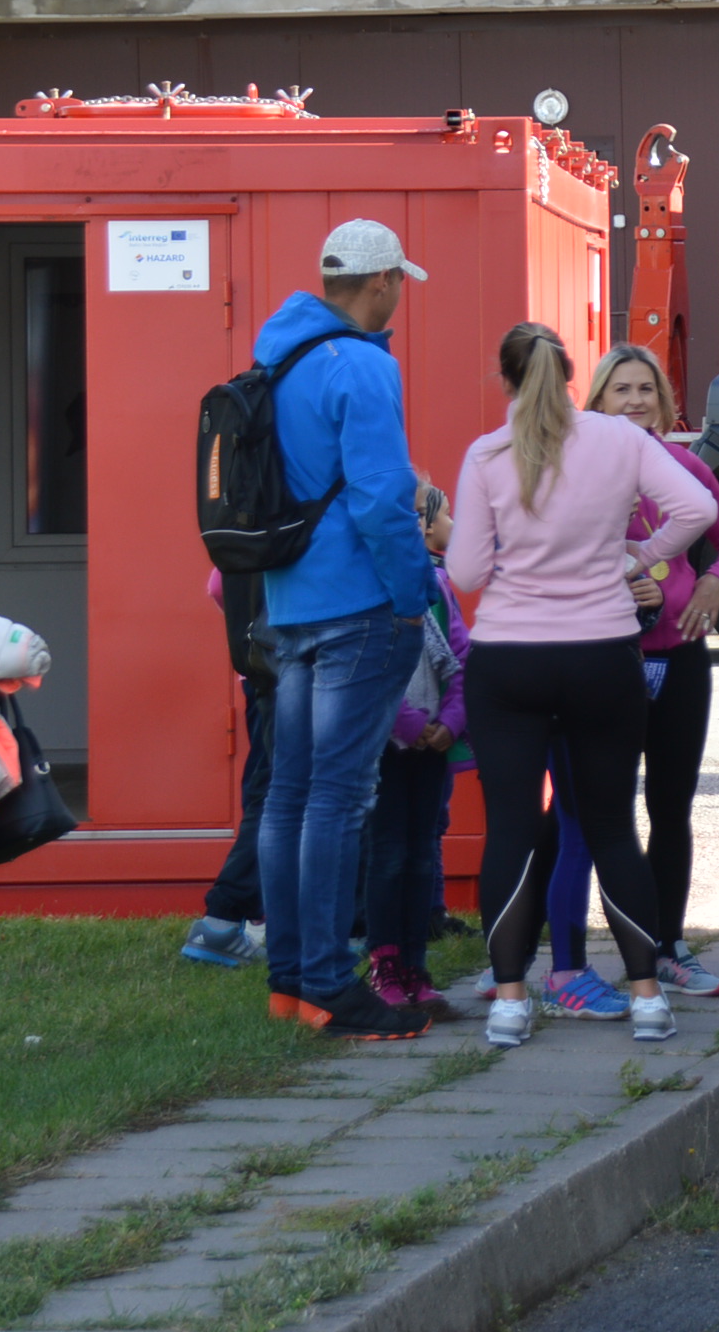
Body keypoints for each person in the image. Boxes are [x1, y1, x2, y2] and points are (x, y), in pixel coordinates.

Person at [443, 322, 713, 1049]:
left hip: (509, 657)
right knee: (611, 825)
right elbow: (697, 510)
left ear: (506, 380)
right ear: (571, 378)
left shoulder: (488, 453)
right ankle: (648, 997)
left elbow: (465, 572)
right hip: (602, 652)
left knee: (511, 829)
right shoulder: (618, 439)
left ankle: (509, 1001)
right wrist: (638, 559)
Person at [252, 218, 443, 1040]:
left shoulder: (278, 355)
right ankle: (333, 985)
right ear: (382, 282)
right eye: (398, 284)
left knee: (290, 794)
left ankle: (291, 981)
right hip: (358, 605)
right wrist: (412, 594)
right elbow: (381, 495)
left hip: (290, 603)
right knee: (339, 796)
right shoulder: (361, 365)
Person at [590, 343, 719, 994]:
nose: (634, 401)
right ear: (597, 402)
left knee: (671, 806)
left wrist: (715, 582)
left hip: (681, 658)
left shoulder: (685, 467)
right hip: (607, 661)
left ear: (663, 402)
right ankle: (601, 953)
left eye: (645, 390)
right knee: (602, 812)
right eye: (621, 389)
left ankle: (669, 947)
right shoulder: (578, 472)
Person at [361, 484, 464, 1014]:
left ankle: (416, 966)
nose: (417, 525)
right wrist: (411, 723)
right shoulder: (368, 588)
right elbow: (371, 671)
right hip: (386, 745)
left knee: (422, 851)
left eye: (419, 515)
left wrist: (451, 721)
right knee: (388, 856)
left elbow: (460, 658)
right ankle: (385, 964)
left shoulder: (433, 588)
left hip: (431, 745)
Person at [180, 566, 271, 970]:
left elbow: (218, 585)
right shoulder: (299, 530)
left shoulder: (255, 534)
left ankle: (243, 915)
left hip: (259, 667)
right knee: (278, 795)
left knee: (264, 790)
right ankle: (224, 917)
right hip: (297, 671)